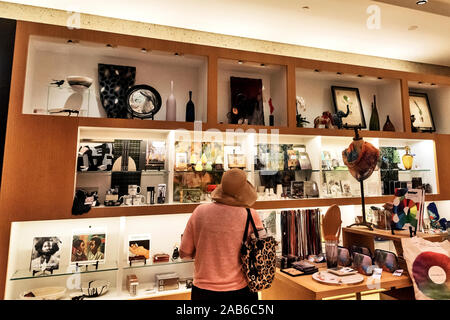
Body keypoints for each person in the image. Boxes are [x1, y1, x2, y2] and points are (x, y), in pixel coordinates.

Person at [180, 168, 263, 301]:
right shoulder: (250, 215)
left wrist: (205, 251)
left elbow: (184, 253)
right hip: (240, 291)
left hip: (203, 292)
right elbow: (260, 251)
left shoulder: (200, 212)